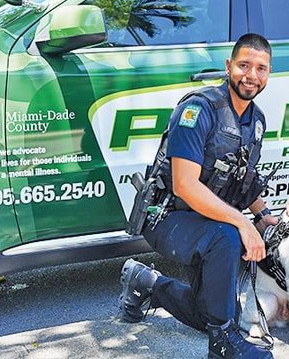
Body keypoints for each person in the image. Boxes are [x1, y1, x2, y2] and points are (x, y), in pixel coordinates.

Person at [119, 33, 279, 359]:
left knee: (216, 313)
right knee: (229, 234)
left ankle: (148, 283)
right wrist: (244, 225)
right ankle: (223, 345)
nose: (252, 75)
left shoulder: (256, 121)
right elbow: (185, 186)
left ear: (268, 73)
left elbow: (241, 182)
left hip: (206, 222)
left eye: (260, 68)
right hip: (168, 217)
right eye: (244, 65)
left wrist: (263, 217)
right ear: (228, 66)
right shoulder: (199, 109)